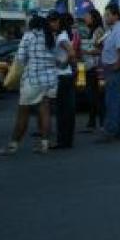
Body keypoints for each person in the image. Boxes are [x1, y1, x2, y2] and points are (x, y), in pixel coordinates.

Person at [0, 15, 58, 155]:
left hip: (33, 80)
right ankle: (44, 144)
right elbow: (56, 58)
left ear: (33, 25)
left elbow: (20, 58)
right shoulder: (50, 37)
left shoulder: (29, 36)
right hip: (50, 81)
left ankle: (13, 145)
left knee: (22, 113)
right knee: (45, 112)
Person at [99, 3, 120, 143]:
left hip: (114, 69)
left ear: (115, 15)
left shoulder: (119, 30)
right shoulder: (114, 29)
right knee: (118, 101)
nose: (105, 17)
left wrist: (117, 65)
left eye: (107, 15)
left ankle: (110, 131)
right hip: (113, 68)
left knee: (112, 101)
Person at [53, 12, 77, 149]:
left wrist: (62, 63)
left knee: (62, 111)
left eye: (55, 21)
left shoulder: (61, 37)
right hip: (67, 75)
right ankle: (67, 140)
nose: (53, 24)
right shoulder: (67, 34)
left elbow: (71, 52)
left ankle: (62, 140)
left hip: (62, 76)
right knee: (68, 110)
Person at [81, 9, 105, 132]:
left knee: (95, 96)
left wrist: (86, 51)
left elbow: (102, 49)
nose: (85, 18)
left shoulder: (99, 31)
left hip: (97, 68)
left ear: (94, 18)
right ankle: (92, 122)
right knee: (92, 96)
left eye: (87, 16)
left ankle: (101, 122)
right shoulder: (92, 31)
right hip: (90, 66)